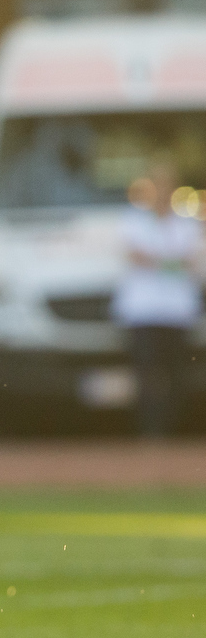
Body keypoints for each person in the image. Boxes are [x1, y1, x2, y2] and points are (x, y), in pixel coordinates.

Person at [113, 161, 204, 437]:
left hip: (176, 312)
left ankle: (172, 431)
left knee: (176, 375)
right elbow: (134, 256)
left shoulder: (187, 225)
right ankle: (149, 431)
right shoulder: (133, 221)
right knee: (146, 374)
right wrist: (171, 262)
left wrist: (156, 261)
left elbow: (192, 261)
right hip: (143, 311)